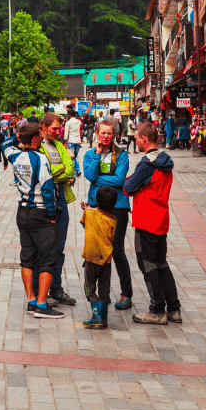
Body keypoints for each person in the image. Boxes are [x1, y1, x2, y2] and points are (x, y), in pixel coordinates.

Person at [3, 122, 65, 319]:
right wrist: (52, 214)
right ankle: (41, 304)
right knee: (48, 259)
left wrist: (18, 136)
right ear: (37, 139)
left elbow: (5, 143)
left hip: (23, 210)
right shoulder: (41, 159)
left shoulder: (15, 155)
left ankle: (31, 300)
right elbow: (47, 188)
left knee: (27, 258)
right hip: (40, 212)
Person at [124, 122, 181, 325]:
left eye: (137, 137)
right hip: (160, 217)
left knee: (148, 265)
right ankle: (174, 308)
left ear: (144, 139)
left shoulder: (147, 164)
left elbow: (129, 187)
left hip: (146, 218)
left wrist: (132, 181)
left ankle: (157, 310)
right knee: (161, 263)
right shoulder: (165, 161)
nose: (135, 140)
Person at [82, 119, 134, 310]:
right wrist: (97, 156)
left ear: (114, 134)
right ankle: (103, 294)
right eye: (103, 133)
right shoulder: (90, 154)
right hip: (97, 207)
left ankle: (126, 294)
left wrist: (98, 179)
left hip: (118, 207)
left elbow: (120, 180)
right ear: (97, 133)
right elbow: (88, 174)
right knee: (97, 250)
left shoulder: (122, 155)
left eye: (109, 133)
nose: (106, 136)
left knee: (117, 251)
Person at [37, 113, 78, 306]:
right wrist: (60, 170)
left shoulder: (59, 145)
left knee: (59, 248)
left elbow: (71, 169)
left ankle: (57, 288)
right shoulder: (37, 147)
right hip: (44, 203)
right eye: (53, 128)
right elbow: (43, 174)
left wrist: (58, 171)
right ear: (43, 127)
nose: (57, 132)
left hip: (61, 200)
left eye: (58, 128)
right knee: (45, 249)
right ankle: (41, 291)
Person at [81, 186, 117, 329]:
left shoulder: (89, 214)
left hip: (91, 257)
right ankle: (104, 318)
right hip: (106, 258)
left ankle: (96, 315)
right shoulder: (113, 219)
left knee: (89, 288)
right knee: (104, 289)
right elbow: (112, 238)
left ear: (97, 200)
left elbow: (85, 224)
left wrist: (88, 208)